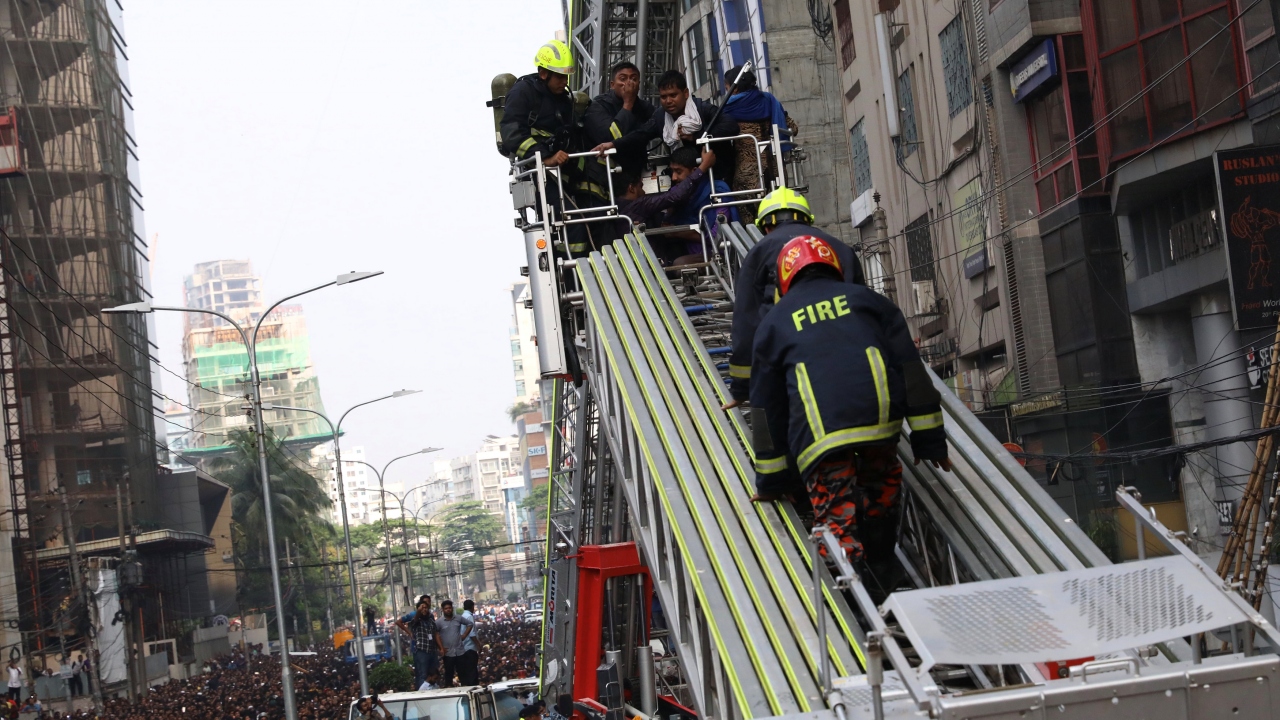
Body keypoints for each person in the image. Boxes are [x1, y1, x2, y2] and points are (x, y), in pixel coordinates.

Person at [749, 236, 950, 598]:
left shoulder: (774, 323)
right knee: (881, 494)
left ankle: (854, 607)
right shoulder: (871, 303)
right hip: (880, 427)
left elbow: (767, 408)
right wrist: (930, 440)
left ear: (785, 278)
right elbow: (912, 374)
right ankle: (885, 574)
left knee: (836, 519)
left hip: (821, 439)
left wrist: (772, 481)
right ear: (835, 267)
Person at [722, 188, 866, 492]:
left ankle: (798, 490)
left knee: (790, 424)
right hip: (852, 370)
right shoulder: (841, 249)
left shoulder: (760, 252)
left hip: (790, 364)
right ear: (807, 220)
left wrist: (742, 387)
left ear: (767, 226)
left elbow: (747, 321)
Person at [593, 70, 739, 182]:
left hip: (719, 175)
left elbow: (731, 126)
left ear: (686, 93)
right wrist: (612, 144)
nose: (668, 101)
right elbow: (640, 135)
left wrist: (696, 136)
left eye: (673, 95)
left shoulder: (703, 108)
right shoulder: (660, 116)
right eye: (663, 97)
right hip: (685, 181)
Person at [721, 66, 797, 225]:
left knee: (751, 223)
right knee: (778, 217)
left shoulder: (728, 109)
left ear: (734, 90)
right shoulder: (769, 101)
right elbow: (793, 128)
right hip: (776, 172)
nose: (725, 93)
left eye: (727, 88)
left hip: (747, 173)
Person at [610, 146, 715, 258]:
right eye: (641, 187)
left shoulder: (617, 209)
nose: (644, 191)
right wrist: (703, 167)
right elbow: (675, 196)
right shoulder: (638, 205)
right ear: (631, 188)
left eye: (678, 171)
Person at [583, 62, 656, 180]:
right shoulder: (599, 105)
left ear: (639, 84)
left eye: (634, 79)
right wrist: (628, 103)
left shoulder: (645, 107)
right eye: (623, 79)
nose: (628, 83)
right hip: (605, 177)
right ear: (612, 85)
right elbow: (609, 137)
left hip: (636, 174)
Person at [664, 144, 738, 242]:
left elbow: (717, 235)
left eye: (678, 171)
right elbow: (666, 221)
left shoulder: (717, 191)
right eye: (672, 171)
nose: (674, 177)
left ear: (694, 171)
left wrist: (677, 232)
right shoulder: (676, 192)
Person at [394, 596, 437, 692]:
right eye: (423, 605)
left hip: (431, 648)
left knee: (433, 671)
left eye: (428, 604)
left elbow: (435, 632)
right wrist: (409, 632)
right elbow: (399, 622)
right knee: (422, 672)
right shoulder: (414, 615)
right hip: (419, 648)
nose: (425, 607)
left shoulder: (430, 617)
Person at [434, 600, 473, 687]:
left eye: (449, 608)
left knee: (463, 673)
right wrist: (440, 648)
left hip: (460, 651)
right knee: (449, 673)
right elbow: (435, 634)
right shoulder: (439, 622)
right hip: (448, 653)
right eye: (446, 608)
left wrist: (465, 635)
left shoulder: (458, 618)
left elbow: (470, 624)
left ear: (452, 609)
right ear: (442, 610)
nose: (448, 610)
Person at [458, 600, 479, 686]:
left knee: (467, 670)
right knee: (472, 671)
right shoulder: (469, 617)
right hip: (470, 647)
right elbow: (472, 633)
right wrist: (478, 644)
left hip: (463, 648)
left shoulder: (462, 616)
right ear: (472, 607)